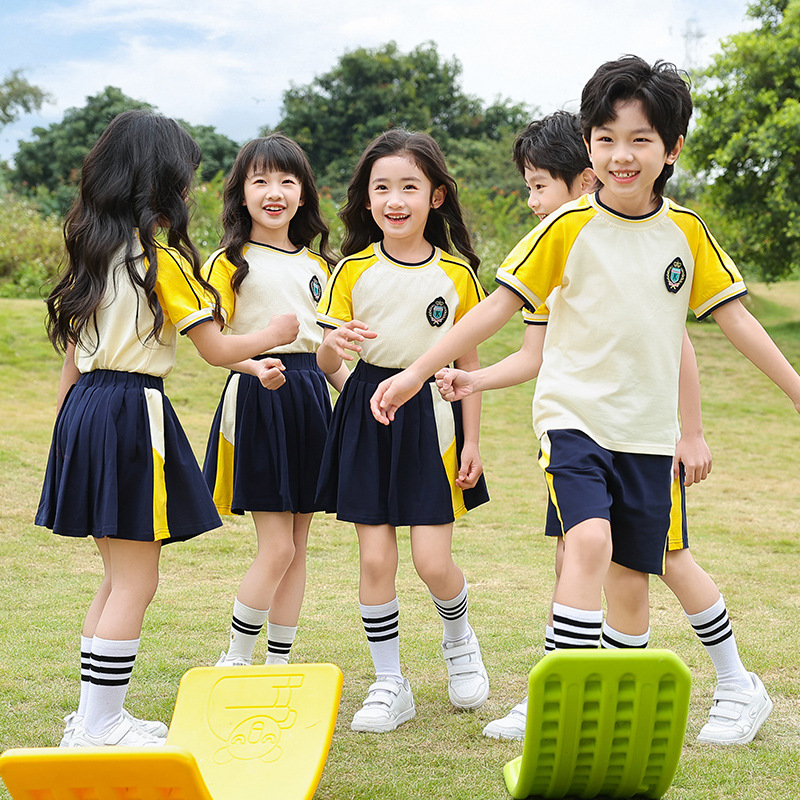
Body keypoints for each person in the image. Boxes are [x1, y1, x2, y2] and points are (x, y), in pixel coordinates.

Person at [371, 57, 800, 743]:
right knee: (588, 543)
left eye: (639, 139)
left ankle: (622, 702)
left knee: (636, 577)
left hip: (649, 436)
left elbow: (735, 322)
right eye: (605, 138)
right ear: (589, 144)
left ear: (672, 149)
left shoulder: (686, 234)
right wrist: (423, 369)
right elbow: (495, 311)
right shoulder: (564, 229)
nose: (620, 155)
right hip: (574, 424)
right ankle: (560, 703)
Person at [35, 110, 299, 748]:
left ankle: (91, 717)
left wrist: (66, 433)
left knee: (115, 573)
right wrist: (277, 333)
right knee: (136, 578)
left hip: (86, 409)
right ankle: (102, 724)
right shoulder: (161, 261)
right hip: (131, 409)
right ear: (158, 183)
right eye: (184, 180)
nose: (188, 192)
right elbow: (213, 347)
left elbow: (73, 357)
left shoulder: (92, 250)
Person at [314, 129, 490, 733]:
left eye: (409, 186)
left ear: (436, 197)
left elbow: (467, 368)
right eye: (381, 187)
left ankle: (459, 637)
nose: (395, 199)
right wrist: (330, 349)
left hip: (433, 417)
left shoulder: (458, 275)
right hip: (366, 410)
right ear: (366, 200)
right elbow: (329, 364)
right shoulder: (350, 271)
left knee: (432, 561)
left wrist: (472, 441)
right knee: (374, 558)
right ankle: (390, 682)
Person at [202, 135, 347, 668]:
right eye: (259, 180)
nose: (274, 192)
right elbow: (213, 347)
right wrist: (257, 358)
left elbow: (329, 356)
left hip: (311, 400)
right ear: (241, 194)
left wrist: (365, 396)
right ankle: (237, 657)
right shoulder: (228, 261)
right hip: (260, 397)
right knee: (278, 546)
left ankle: (278, 661)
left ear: (304, 193)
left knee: (299, 544)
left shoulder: (322, 268)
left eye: (287, 180)